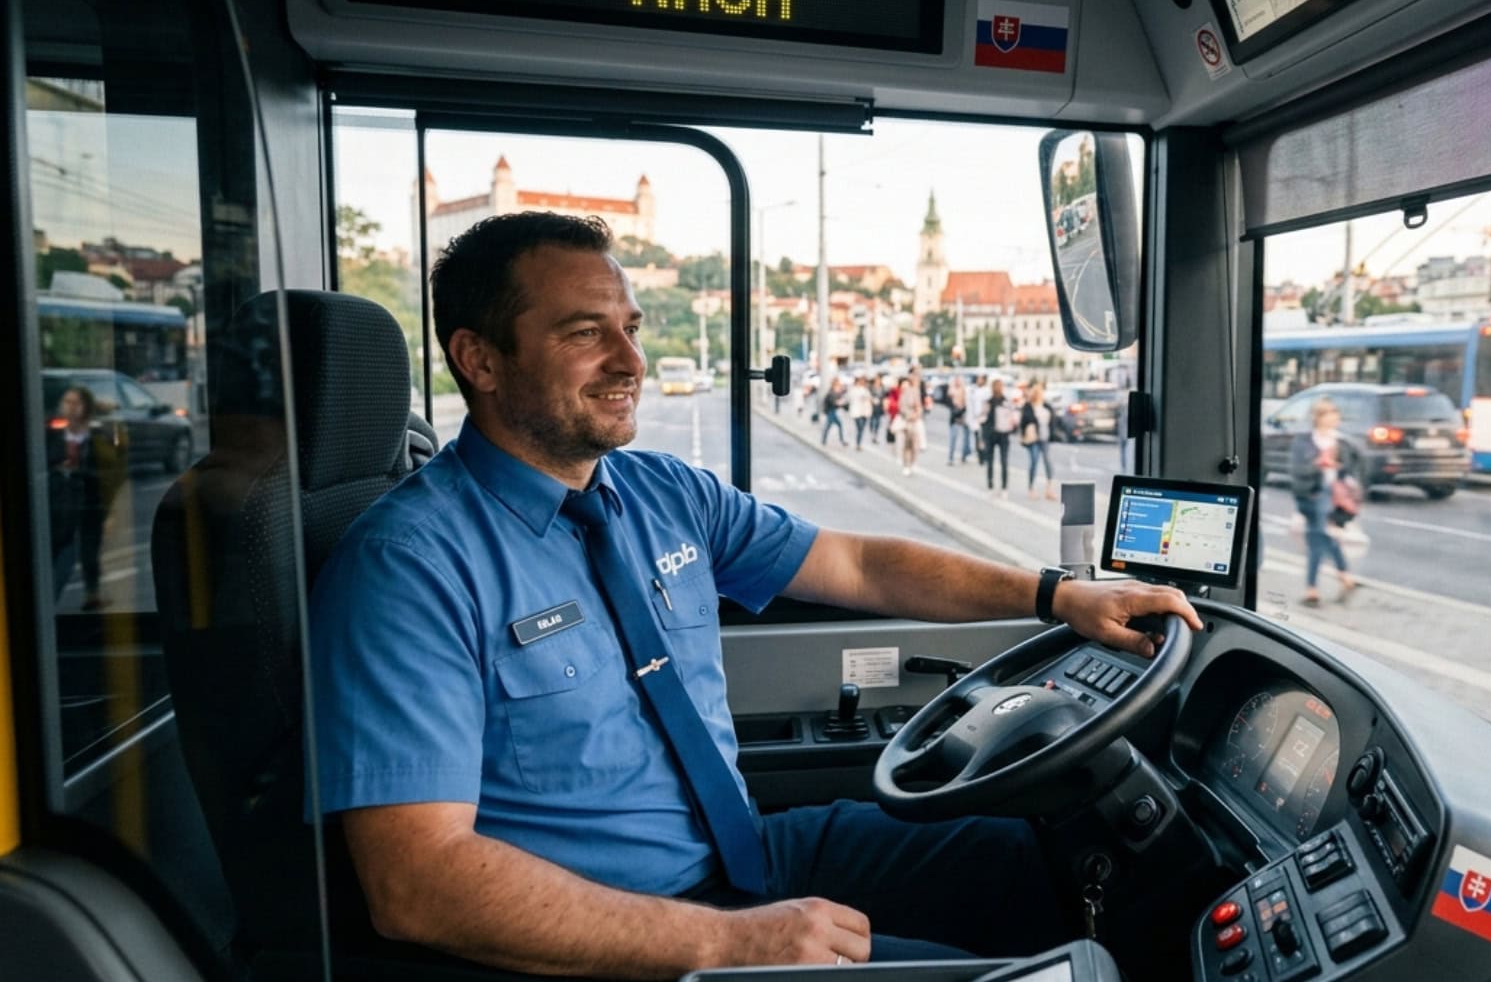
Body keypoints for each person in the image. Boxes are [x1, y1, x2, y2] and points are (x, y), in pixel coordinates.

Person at [309, 213, 1203, 977]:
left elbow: (859, 566)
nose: (631, 359)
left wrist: (1060, 595)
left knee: (1045, 862)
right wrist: (731, 943)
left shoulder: (665, 493)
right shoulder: (408, 564)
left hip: (740, 853)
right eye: (585, 333)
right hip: (621, 930)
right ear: (481, 361)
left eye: (631, 324)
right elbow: (417, 883)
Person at [46, 385, 128, 611]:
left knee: (89, 550)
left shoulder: (98, 437)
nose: (70, 408)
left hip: (89, 503)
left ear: (86, 408)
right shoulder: (52, 434)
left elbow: (110, 471)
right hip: (60, 506)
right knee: (62, 551)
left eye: (76, 403)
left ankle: (91, 594)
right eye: (67, 402)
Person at [1289, 398, 1358, 608]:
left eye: (1334, 414)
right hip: (1309, 495)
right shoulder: (1305, 441)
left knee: (1316, 537)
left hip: (1331, 495)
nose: (1333, 419)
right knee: (1323, 536)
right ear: (1317, 418)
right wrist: (1318, 465)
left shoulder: (1342, 442)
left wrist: (1339, 468)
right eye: (1328, 414)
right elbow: (1297, 470)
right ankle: (1344, 574)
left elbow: (1352, 469)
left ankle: (1312, 589)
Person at [1019, 380, 1057, 501]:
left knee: (1048, 462)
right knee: (1034, 461)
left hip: (1045, 437)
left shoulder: (1047, 406)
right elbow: (1023, 422)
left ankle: (1049, 489)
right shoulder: (1028, 406)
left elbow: (1053, 420)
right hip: (1033, 439)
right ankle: (1031, 489)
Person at [981, 377, 1016, 499]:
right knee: (998, 462)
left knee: (997, 462)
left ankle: (997, 487)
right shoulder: (995, 402)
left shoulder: (1000, 402)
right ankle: (998, 487)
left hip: (998, 435)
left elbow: (983, 419)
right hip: (998, 435)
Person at [896, 366, 927, 476]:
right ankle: (906, 465)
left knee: (915, 444)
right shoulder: (906, 390)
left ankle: (913, 463)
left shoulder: (917, 390)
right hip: (906, 420)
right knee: (906, 444)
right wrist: (909, 415)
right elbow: (901, 406)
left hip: (915, 420)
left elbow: (919, 406)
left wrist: (917, 414)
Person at [945, 374, 973, 465]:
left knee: (966, 437)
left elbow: (967, 403)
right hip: (955, 417)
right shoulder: (951, 391)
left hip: (963, 416)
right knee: (953, 437)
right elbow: (949, 404)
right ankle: (950, 457)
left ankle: (964, 455)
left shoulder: (964, 390)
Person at [846, 373, 873, 449]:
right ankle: (858, 443)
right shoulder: (852, 390)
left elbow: (870, 398)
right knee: (860, 427)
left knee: (862, 428)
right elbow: (849, 398)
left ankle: (859, 443)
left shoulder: (865, 390)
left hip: (864, 411)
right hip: (856, 411)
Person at [819, 377, 848, 446]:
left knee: (834, 425)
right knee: (830, 425)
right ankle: (840, 440)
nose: (839, 385)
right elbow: (831, 401)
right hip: (830, 411)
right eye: (837, 384)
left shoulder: (838, 392)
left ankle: (824, 440)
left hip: (834, 411)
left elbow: (842, 396)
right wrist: (838, 402)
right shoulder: (831, 392)